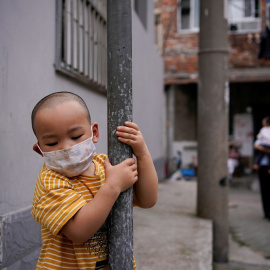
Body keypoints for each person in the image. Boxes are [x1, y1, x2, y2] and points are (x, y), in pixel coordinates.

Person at [31, 92, 158, 270]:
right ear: (40, 150)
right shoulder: (50, 182)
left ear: (94, 132)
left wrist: (142, 154)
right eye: (52, 143)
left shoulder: (106, 166)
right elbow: (79, 232)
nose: (67, 148)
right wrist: (113, 186)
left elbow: (147, 200)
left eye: (76, 137)